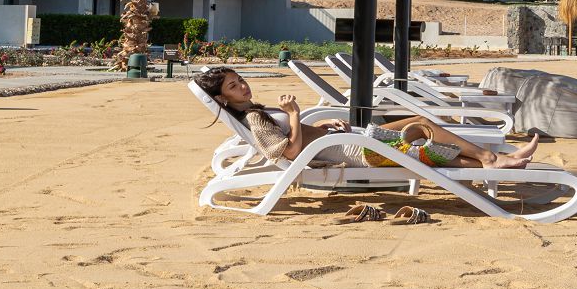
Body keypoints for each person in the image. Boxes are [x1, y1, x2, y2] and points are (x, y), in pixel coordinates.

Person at [194, 66, 538, 169]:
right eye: (234, 86)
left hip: (349, 141)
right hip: (356, 151)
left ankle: (494, 162)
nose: (243, 86)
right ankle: (490, 158)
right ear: (223, 98)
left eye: (241, 80)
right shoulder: (255, 121)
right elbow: (291, 152)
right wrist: (295, 115)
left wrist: (322, 126)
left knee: (421, 143)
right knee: (422, 130)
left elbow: (299, 139)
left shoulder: (257, 112)